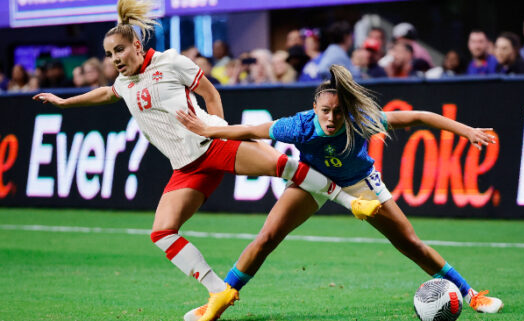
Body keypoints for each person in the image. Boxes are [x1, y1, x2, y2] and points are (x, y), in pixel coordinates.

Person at [31, 1, 380, 321]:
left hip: (211, 143)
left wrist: (220, 130)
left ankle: (354, 203)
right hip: (185, 166)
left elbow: (209, 92)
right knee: (162, 232)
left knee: (283, 165)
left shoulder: (170, 61)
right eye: (109, 54)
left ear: (137, 45)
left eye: (120, 50)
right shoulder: (123, 83)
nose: (115, 59)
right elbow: (107, 92)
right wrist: (65, 103)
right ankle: (218, 291)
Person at [177, 64, 504, 321]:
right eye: (325, 111)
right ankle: (220, 299)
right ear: (314, 108)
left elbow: (417, 117)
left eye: (337, 111)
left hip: (360, 181)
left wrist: (466, 131)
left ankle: (470, 293)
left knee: (409, 242)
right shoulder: (298, 126)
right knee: (266, 238)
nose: (332, 118)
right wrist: (207, 129)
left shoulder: (361, 120)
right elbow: (248, 130)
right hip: (315, 180)